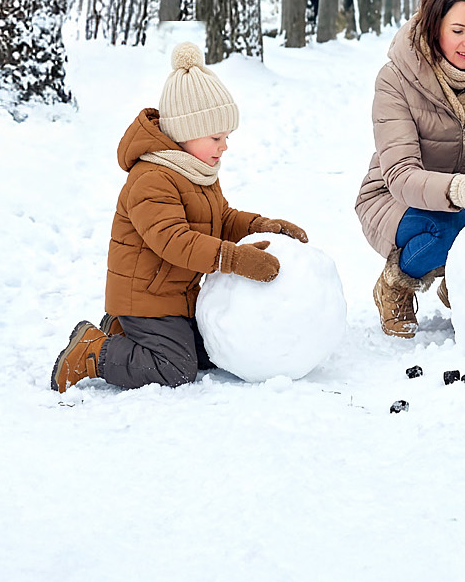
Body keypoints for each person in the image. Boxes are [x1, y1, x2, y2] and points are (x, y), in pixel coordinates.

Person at [51, 42, 308, 391]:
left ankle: (121, 332)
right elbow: (174, 241)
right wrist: (233, 258)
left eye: (227, 137)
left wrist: (262, 227)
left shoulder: (194, 170)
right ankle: (94, 351)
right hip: (146, 297)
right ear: (187, 132)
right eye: (216, 137)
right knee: (176, 368)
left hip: (176, 297)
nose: (225, 146)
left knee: (212, 349)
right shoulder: (152, 178)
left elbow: (221, 217)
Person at [356, 0, 465, 336]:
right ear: (434, 28)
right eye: (458, 30)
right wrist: (458, 191)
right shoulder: (395, 79)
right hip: (394, 197)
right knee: (447, 230)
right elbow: (399, 174)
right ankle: (395, 284)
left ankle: (461, 279)